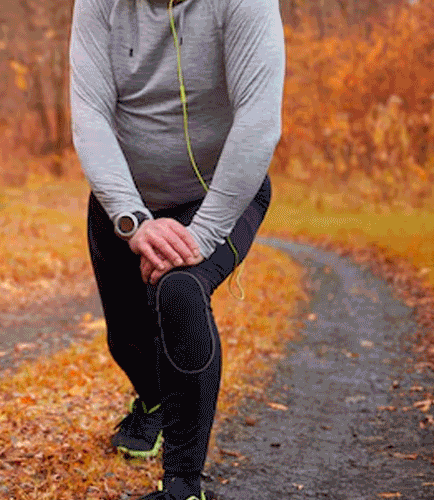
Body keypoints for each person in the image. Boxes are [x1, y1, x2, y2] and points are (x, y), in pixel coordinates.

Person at [68, 0, 284, 498]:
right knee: (126, 340)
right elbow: (91, 113)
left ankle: (184, 486)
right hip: (124, 200)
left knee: (178, 291)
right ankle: (153, 402)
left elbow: (258, 120)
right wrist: (131, 219)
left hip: (217, 198)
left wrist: (199, 237)